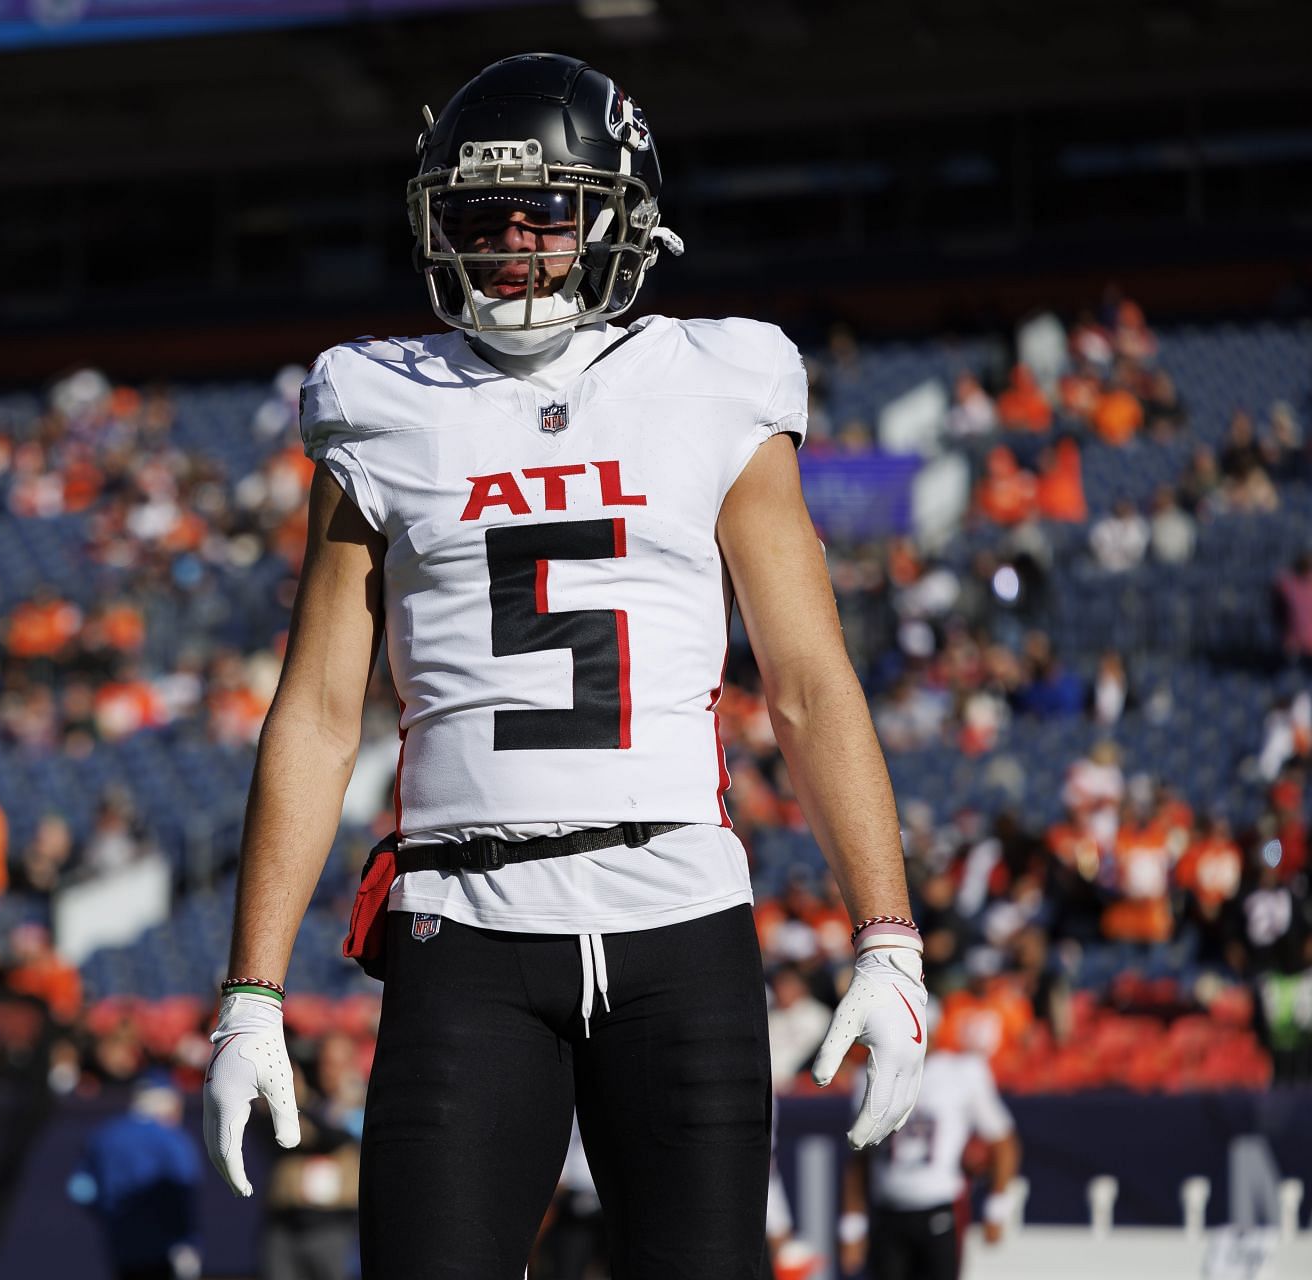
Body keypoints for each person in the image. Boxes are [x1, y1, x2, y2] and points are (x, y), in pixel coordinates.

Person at [203, 53, 926, 1279]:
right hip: (463, 930)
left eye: (549, 208)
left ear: (621, 214)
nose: (517, 240)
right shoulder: (382, 399)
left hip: (676, 918)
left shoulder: (714, 381)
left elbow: (806, 679)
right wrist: (252, 991)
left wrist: (889, 933)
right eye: (486, 215)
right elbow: (321, 714)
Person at [840, 1036, 1021, 1280]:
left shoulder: (961, 1072)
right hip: (888, 1214)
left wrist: (998, 1207)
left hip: (940, 1210)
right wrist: (852, 1225)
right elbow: (860, 1160)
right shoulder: (869, 1075)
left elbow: (1003, 1142)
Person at [71, 1076, 201, 1280]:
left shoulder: (104, 1134)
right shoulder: (172, 1140)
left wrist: (108, 1212)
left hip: (120, 1243)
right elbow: (183, 1190)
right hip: (164, 1246)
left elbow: (79, 1189)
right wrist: (188, 1242)